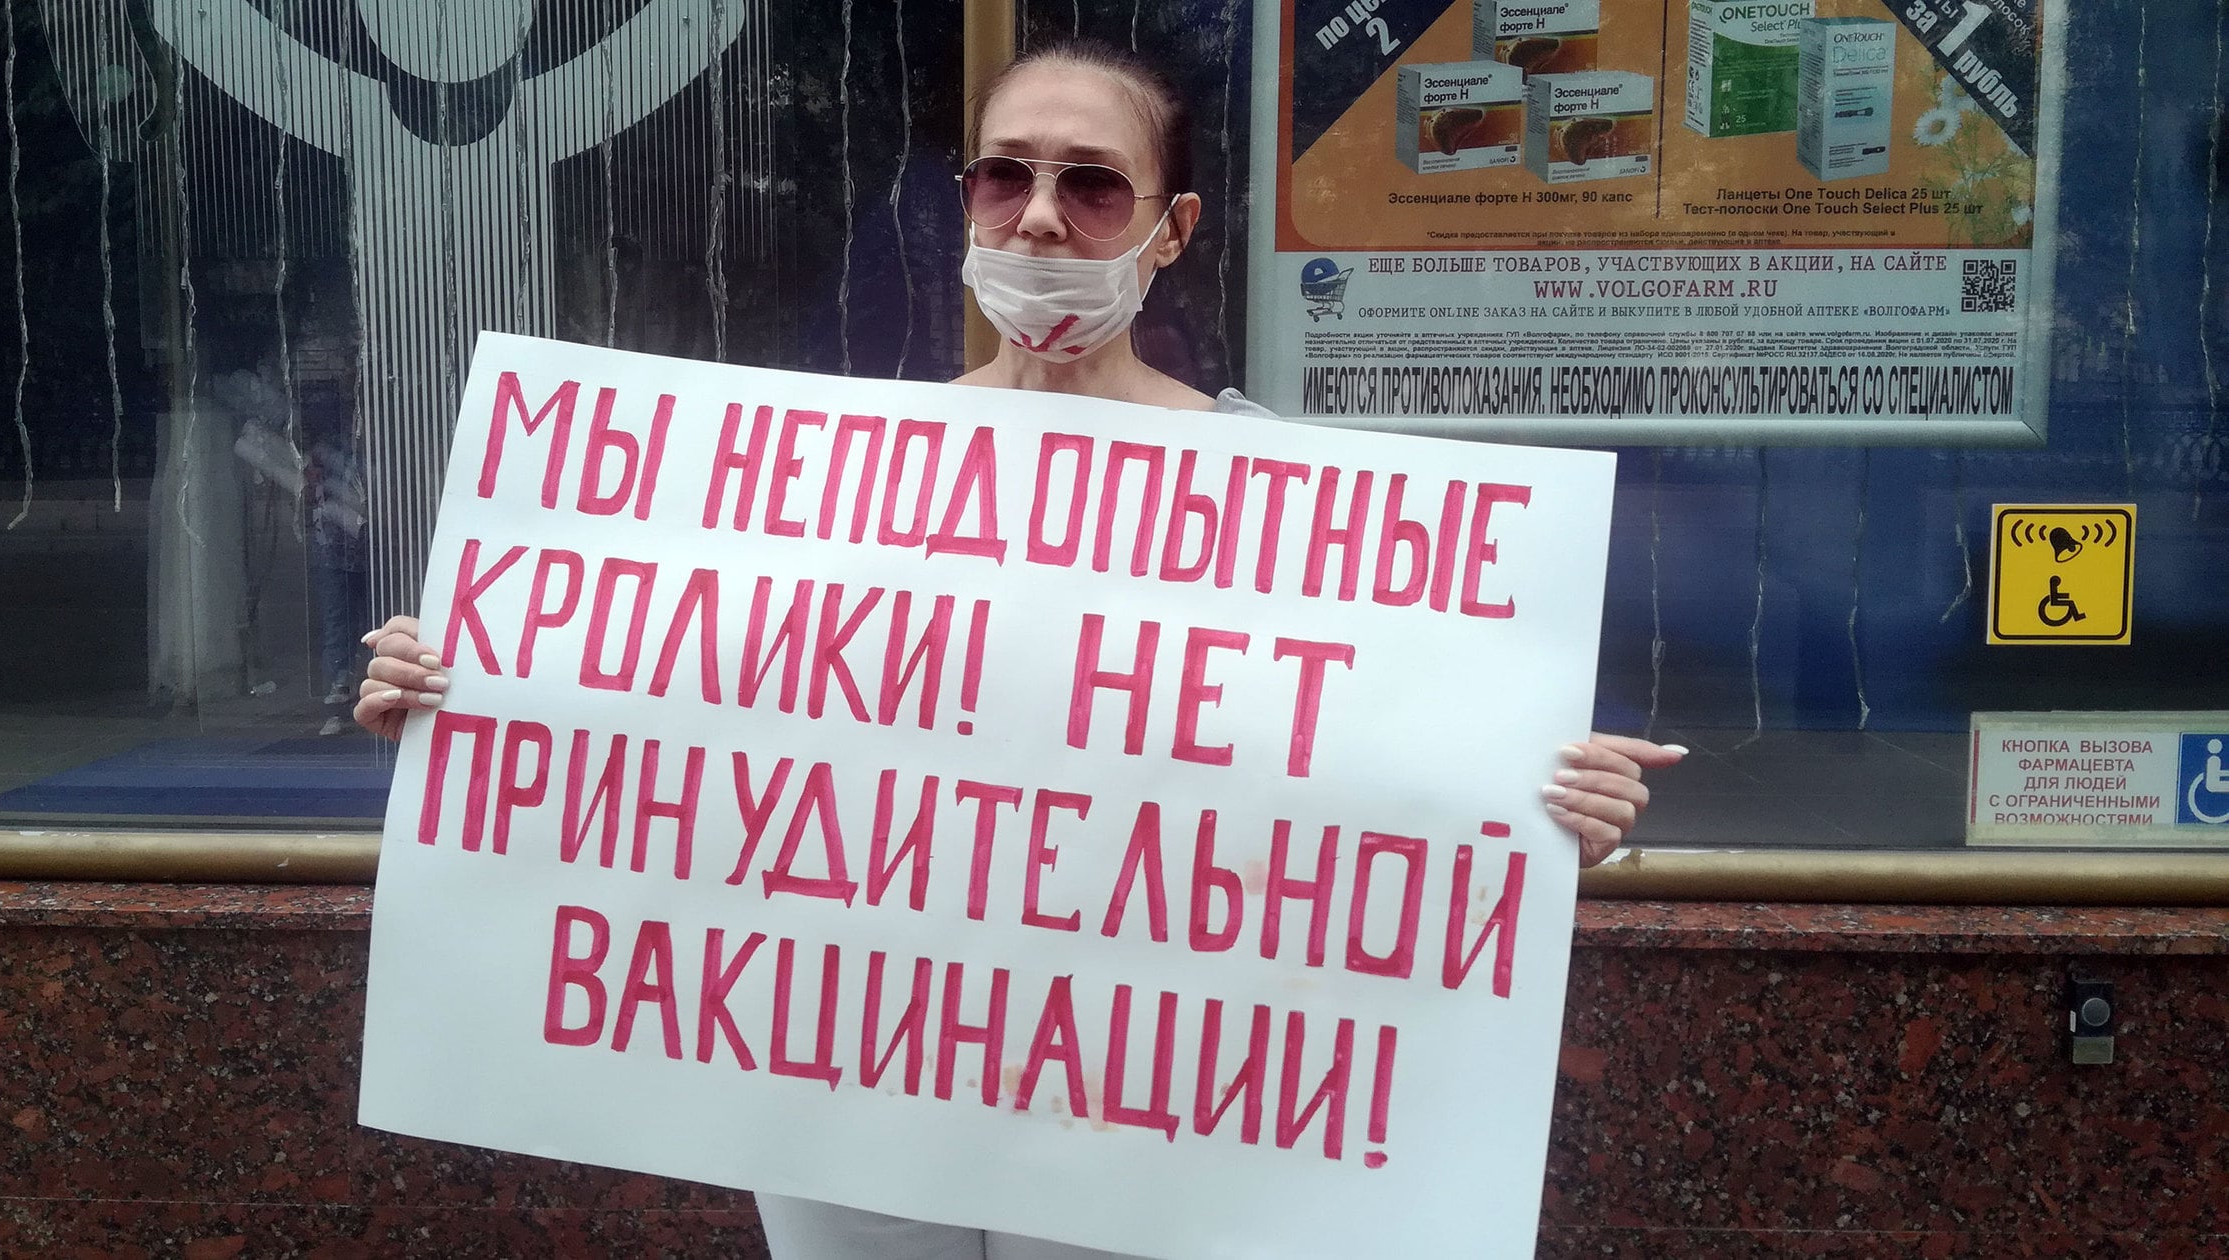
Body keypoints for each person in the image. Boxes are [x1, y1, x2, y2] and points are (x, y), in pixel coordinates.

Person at [356, 36, 1684, 1260]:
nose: (1040, 215)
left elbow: (1371, 772)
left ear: (1172, 230)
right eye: (1005, 176)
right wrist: (472, 681)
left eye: (1092, 185)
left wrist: (1533, 807)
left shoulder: (1291, 505)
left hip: (1136, 1090)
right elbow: (672, 694)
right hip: (846, 1063)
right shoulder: (832, 484)